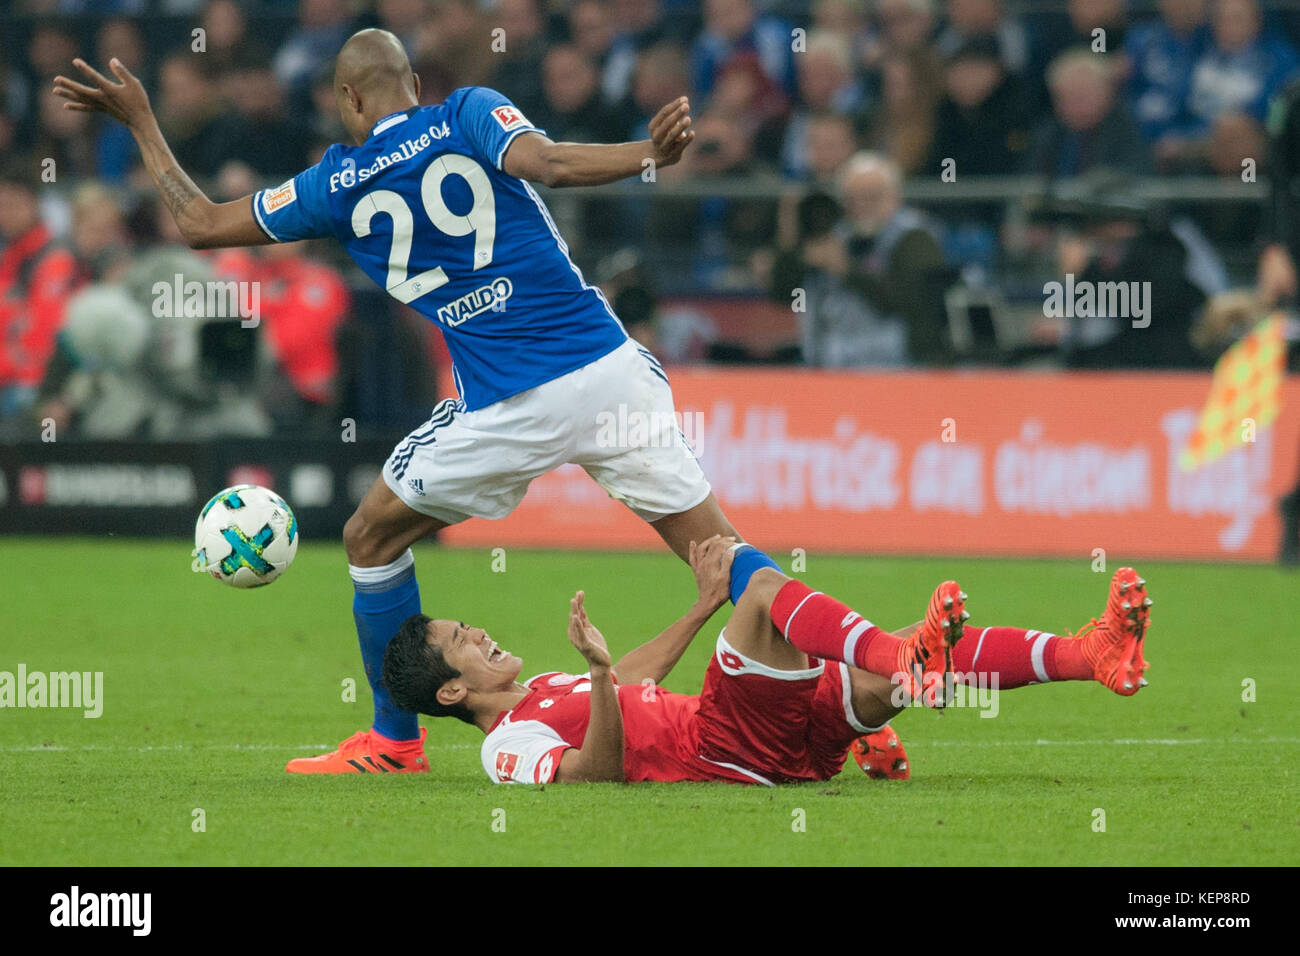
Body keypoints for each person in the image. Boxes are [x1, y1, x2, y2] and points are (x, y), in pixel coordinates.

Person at [54, 28, 766, 775]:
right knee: (721, 554)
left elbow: (199, 223)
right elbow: (550, 163)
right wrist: (648, 154)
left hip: (504, 406)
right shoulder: (466, 114)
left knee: (370, 537)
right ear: (415, 84)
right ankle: (850, 687)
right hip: (605, 371)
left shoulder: (335, 182)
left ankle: (394, 742)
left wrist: (141, 121)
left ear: (348, 100)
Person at [383, 536, 1154, 785]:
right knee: (762, 584)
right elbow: (590, 775)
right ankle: (892, 648)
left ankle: (1093, 653)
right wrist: (595, 675)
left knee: (907, 679)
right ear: (451, 690)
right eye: (462, 641)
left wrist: (698, 605)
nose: (478, 633)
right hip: (724, 745)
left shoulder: (536, 689)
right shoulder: (502, 749)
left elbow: (636, 680)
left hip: (772, 743)